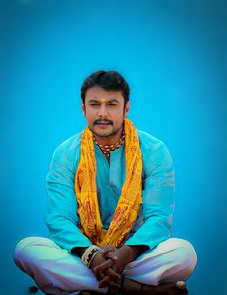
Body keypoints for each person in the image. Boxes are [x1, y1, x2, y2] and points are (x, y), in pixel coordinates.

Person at [14, 70, 197, 295]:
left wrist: (125, 255)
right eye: (94, 104)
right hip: (82, 255)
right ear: (83, 109)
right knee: (26, 250)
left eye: (111, 104)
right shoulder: (65, 154)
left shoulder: (154, 151)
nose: (102, 113)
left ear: (126, 108)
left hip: (134, 256)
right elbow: (60, 219)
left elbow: (158, 218)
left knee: (184, 253)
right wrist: (93, 256)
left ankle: (89, 286)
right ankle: (134, 288)